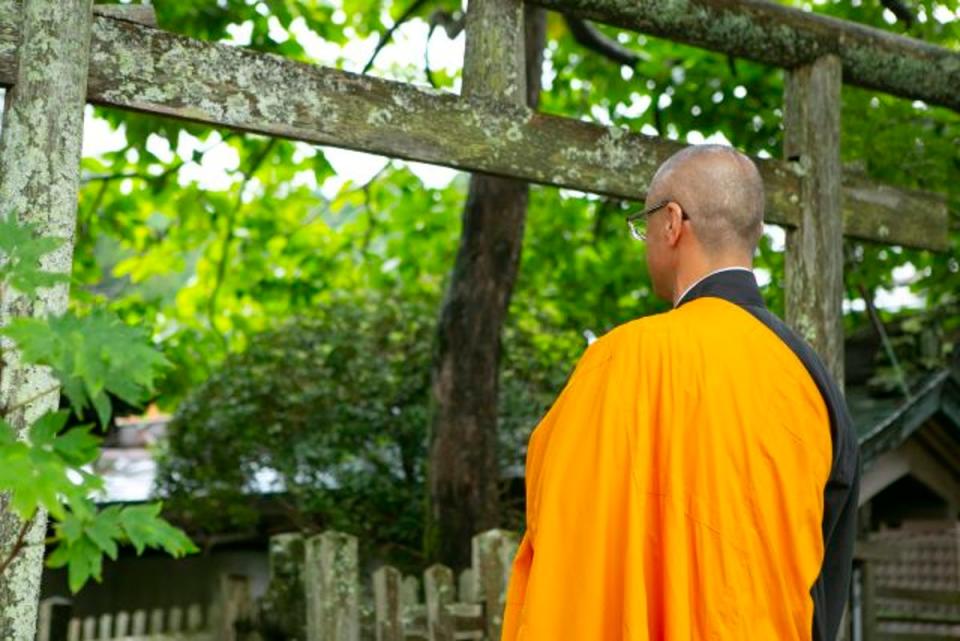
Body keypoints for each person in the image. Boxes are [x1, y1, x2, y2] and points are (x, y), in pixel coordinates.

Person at [499, 144, 860, 641]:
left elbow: (562, 537)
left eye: (643, 221)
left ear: (671, 222)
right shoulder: (811, 379)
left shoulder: (619, 361)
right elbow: (828, 580)